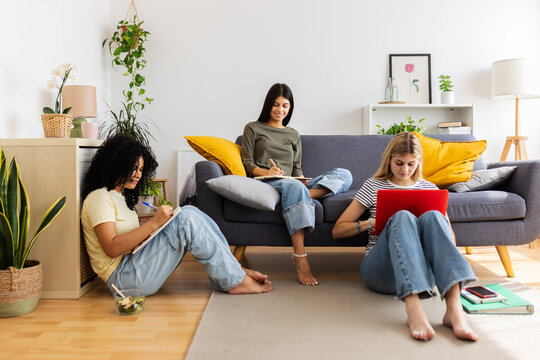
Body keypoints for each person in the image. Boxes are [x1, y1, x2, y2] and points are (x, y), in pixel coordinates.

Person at [81, 134, 272, 297]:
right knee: (185, 221)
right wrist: (154, 224)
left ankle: (233, 271)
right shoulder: (99, 198)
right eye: (132, 168)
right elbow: (112, 248)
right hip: (123, 280)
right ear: (115, 164)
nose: (137, 174)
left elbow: (127, 240)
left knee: (189, 212)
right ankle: (234, 278)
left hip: (132, 266)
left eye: (140, 169)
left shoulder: (119, 196)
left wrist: (152, 227)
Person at [332, 132, 478, 341]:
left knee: (435, 216)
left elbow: (449, 239)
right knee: (401, 217)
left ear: (418, 162)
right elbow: (338, 230)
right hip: (381, 271)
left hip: (424, 275)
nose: (405, 170)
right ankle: (413, 309)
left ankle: (454, 310)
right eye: (399, 163)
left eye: (411, 164)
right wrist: (371, 223)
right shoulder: (374, 185)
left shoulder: (429, 188)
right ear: (389, 159)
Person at [241, 83, 353, 286]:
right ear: (268, 105)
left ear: (290, 107)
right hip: (268, 182)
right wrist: (268, 171)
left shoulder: (293, 134)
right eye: (276, 104)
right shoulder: (253, 128)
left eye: (285, 105)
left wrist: (302, 180)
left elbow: (296, 167)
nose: (280, 110)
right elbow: (247, 163)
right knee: (294, 188)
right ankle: (300, 259)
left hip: (292, 182)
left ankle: (305, 194)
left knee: (344, 174)